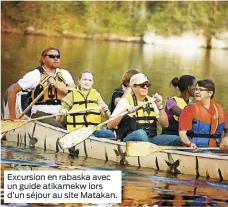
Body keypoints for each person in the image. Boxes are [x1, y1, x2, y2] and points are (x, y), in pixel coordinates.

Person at [3, 46, 75, 128]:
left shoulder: (65, 74)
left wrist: (56, 85)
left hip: (62, 113)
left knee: (80, 122)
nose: (56, 59)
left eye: (58, 56)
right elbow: (12, 90)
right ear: (43, 59)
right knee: (58, 127)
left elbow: (74, 91)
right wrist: (12, 117)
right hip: (41, 113)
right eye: (52, 56)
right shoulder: (34, 75)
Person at [107, 73, 183, 146]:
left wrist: (160, 107)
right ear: (133, 87)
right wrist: (124, 111)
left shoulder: (152, 101)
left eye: (147, 85)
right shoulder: (125, 101)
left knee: (179, 139)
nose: (145, 87)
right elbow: (110, 125)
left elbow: (165, 124)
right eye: (142, 85)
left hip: (151, 139)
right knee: (141, 134)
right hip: (130, 138)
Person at [60, 70, 114, 138]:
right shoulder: (71, 95)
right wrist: (64, 110)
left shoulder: (96, 95)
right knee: (90, 136)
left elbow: (107, 117)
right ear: (79, 81)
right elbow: (62, 109)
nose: (87, 82)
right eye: (84, 79)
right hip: (76, 131)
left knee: (109, 133)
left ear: (92, 82)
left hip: (93, 130)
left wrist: (106, 111)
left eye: (90, 80)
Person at [179, 79, 228, 149]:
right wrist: (189, 144)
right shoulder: (189, 109)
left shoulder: (220, 109)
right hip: (196, 149)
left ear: (210, 93)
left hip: (216, 149)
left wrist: (226, 138)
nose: (197, 92)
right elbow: (182, 134)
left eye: (200, 90)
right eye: (196, 89)